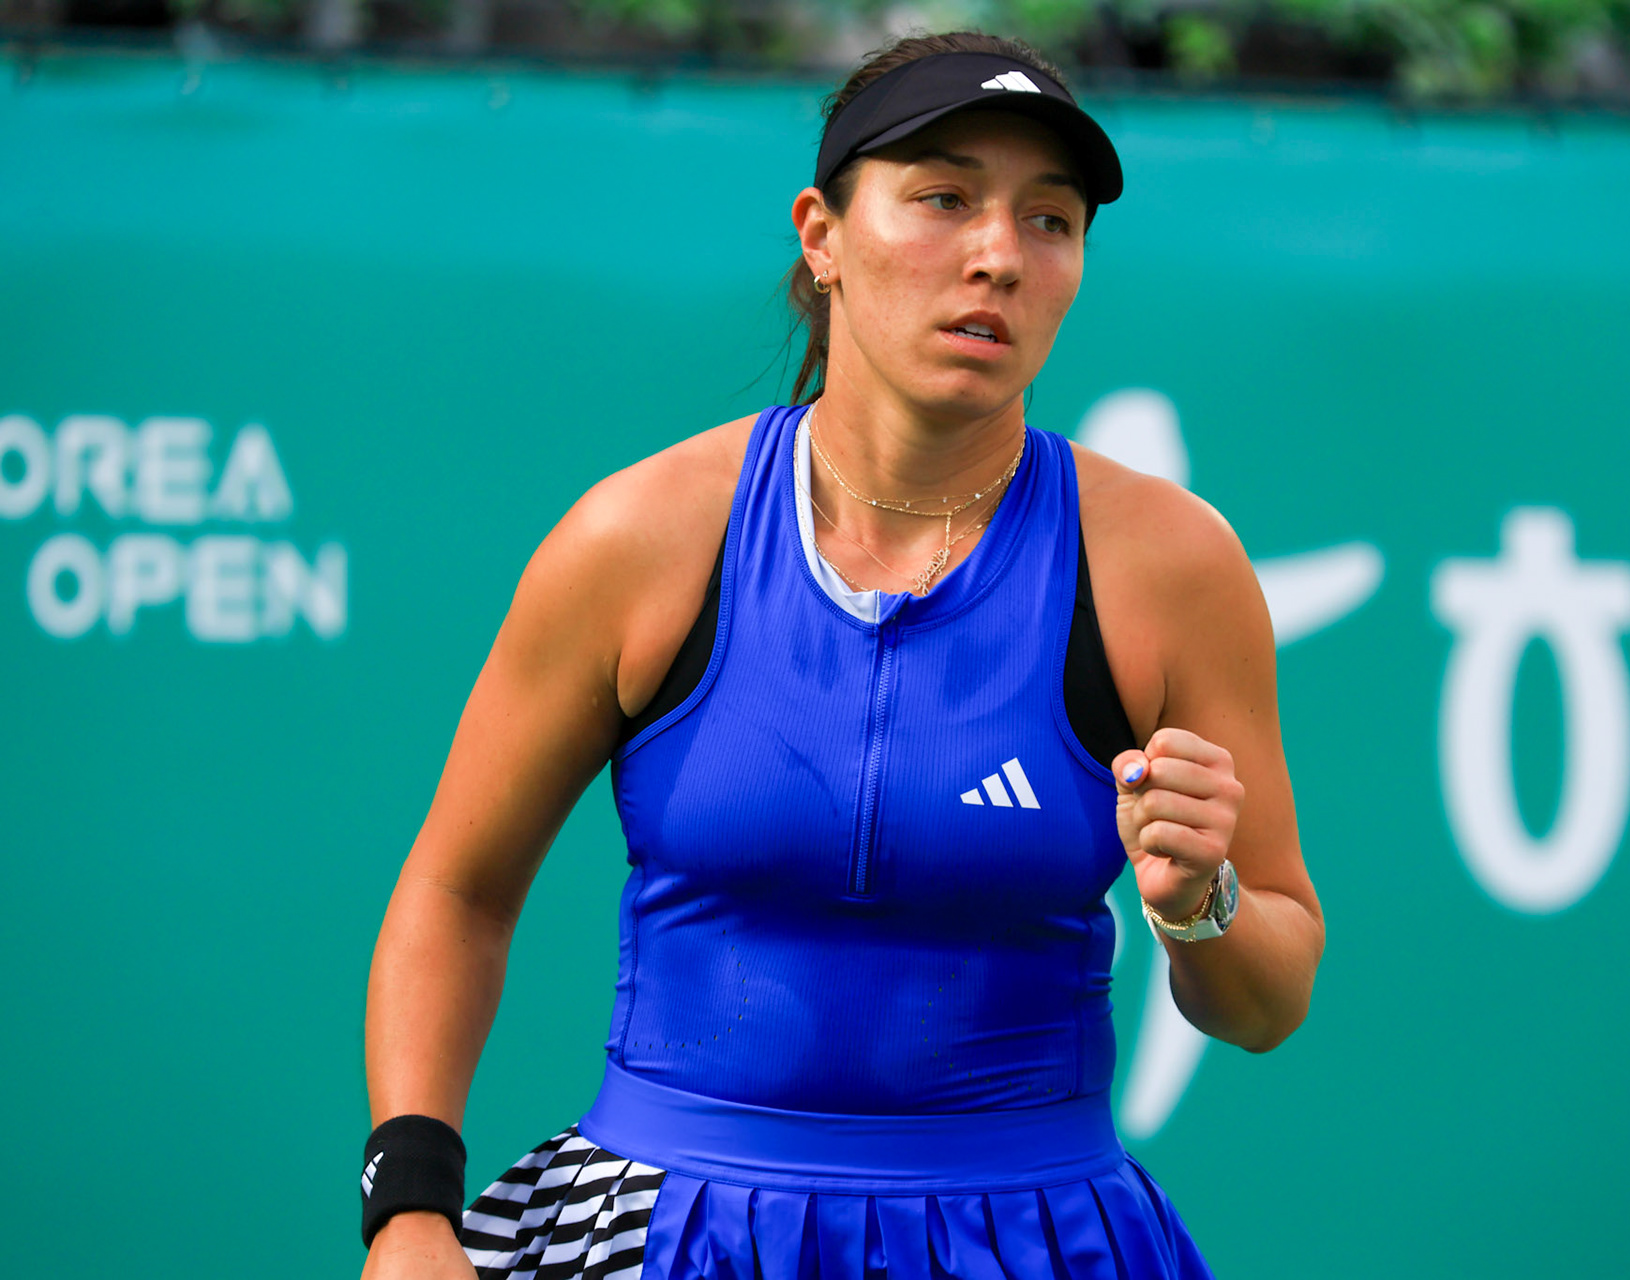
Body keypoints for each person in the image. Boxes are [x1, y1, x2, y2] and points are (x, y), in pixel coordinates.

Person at [359, 29, 1325, 1280]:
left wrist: (1203, 903)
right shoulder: (640, 537)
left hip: (1039, 1236)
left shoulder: (1172, 566)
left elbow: (1268, 997)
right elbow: (457, 891)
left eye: (1049, 220)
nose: (999, 254)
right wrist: (413, 1207)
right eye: (943, 198)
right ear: (820, 235)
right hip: (670, 1230)